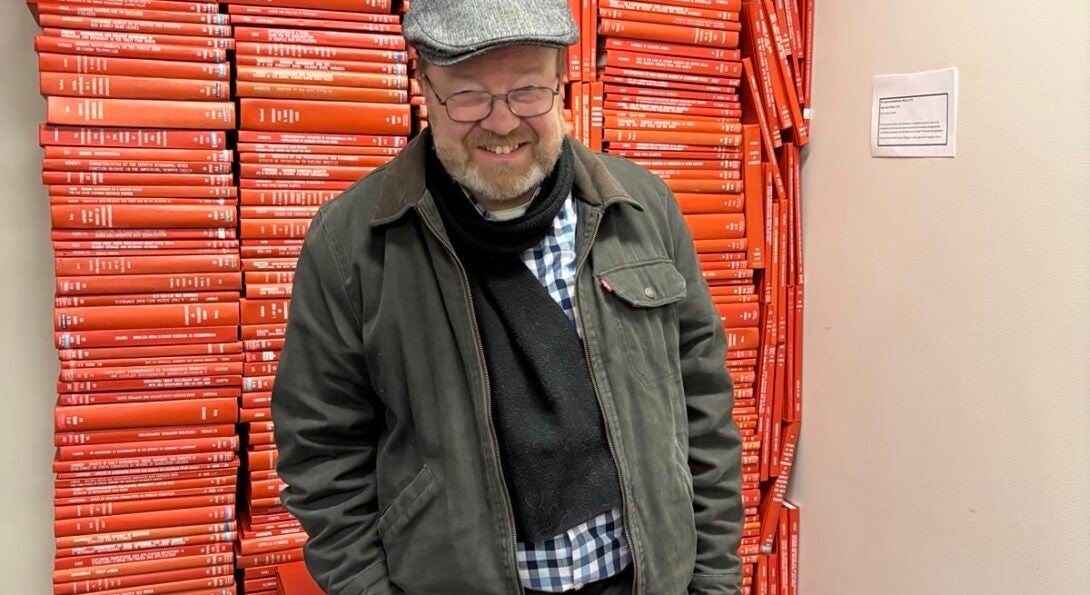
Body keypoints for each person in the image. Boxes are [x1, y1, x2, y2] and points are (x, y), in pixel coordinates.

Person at [271, 0, 744, 593]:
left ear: (561, 83)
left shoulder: (642, 211)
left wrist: (713, 581)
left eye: (527, 92)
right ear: (423, 87)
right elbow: (321, 450)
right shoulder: (351, 244)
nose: (501, 123)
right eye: (467, 96)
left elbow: (702, 413)